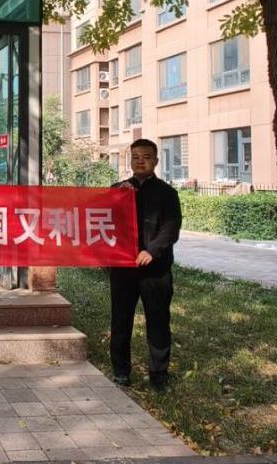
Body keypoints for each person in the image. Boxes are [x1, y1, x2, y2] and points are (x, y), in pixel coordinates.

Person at [109, 138, 182, 393]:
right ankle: (121, 372)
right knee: (121, 321)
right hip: (123, 269)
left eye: (146, 157)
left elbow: (171, 229)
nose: (140, 161)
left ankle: (158, 375)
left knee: (158, 321)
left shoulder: (167, 193)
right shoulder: (118, 190)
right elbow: (103, 219)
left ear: (156, 161)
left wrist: (152, 251)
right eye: (136, 157)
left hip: (155, 270)